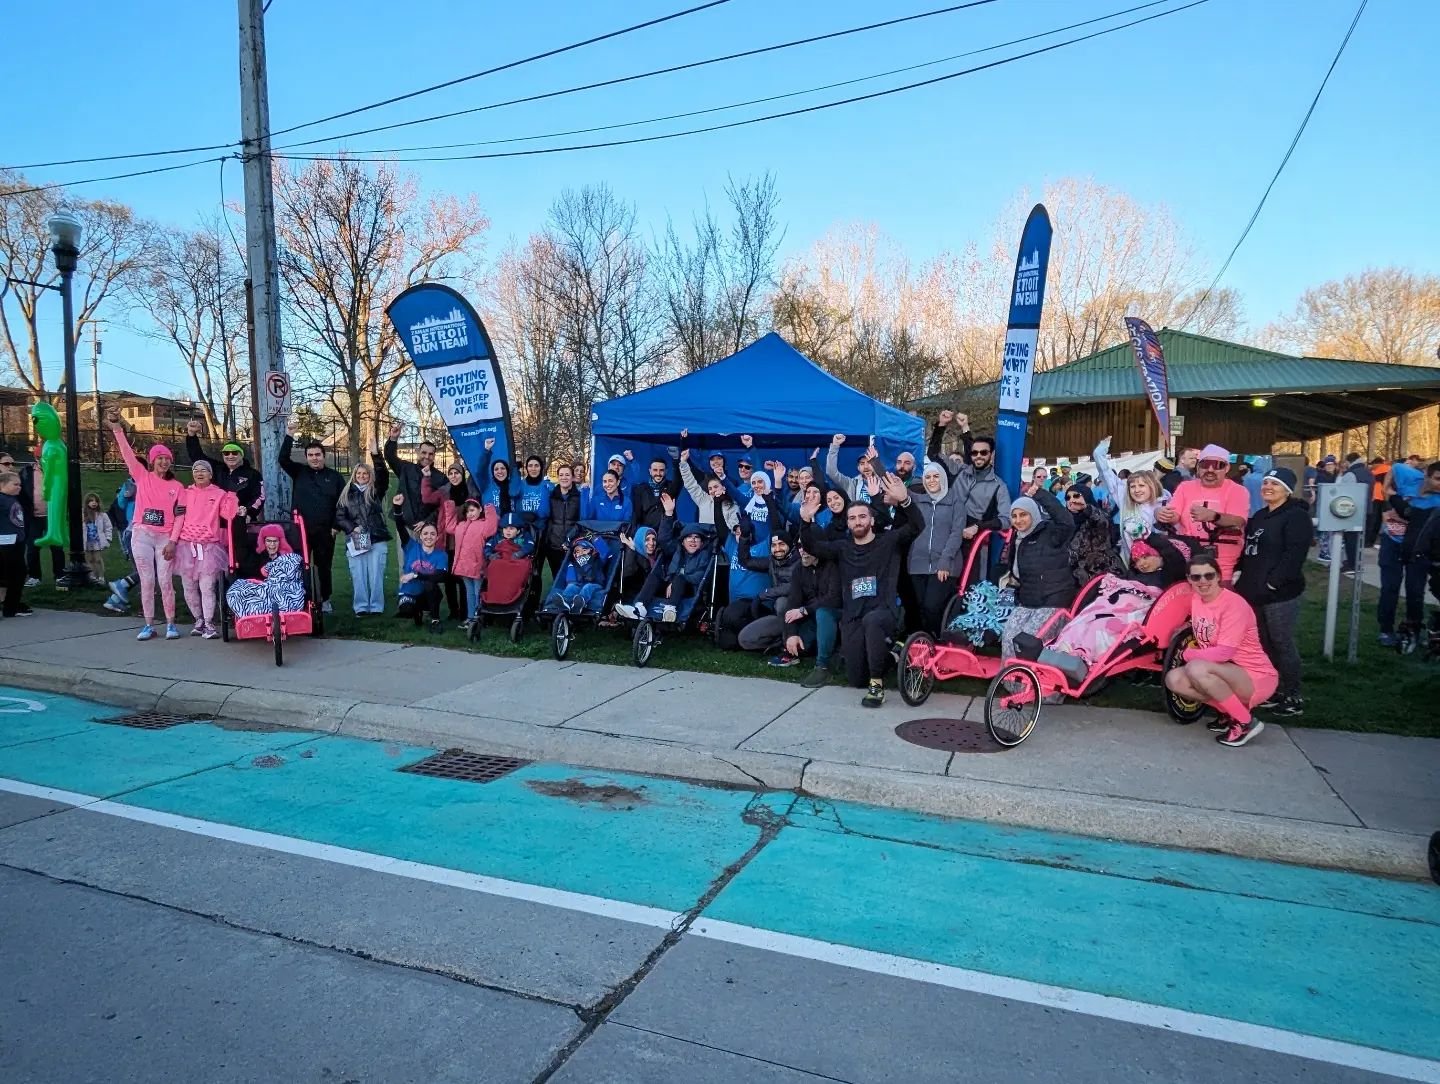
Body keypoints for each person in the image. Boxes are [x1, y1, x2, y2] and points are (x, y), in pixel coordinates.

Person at [798, 474, 921, 708]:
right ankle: (894, 654)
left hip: (883, 612)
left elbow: (916, 526)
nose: (857, 521)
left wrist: (906, 502)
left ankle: (877, 686)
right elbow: (812, 546)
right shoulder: (842, 548)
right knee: (855, 679)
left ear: (872, 521)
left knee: (872, 622)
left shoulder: (889, 541)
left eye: (862, 516)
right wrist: (805, 521)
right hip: (853, 615)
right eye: (852, 518)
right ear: (848, 523)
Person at [1025, 532, 1189, 682]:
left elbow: (1175, 559)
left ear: (1160, 556)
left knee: (1101, 626)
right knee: (1083, 619)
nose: (1142, 563)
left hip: (1141, 610)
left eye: (1146, 557)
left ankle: (1082, 659)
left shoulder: (1167, 575)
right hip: (1112, 604)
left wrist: (1151, 537)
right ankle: (1060, 652)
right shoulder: (1133, 575)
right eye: (1137, 560)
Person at [1165, 550, 1278, 748]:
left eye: (1209, 575)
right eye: (1196, 577)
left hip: (1255, 676)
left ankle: (1245, 722)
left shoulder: (1233, 604)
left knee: (1196, 668)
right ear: (1189, 579)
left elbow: (1225, 652)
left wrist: (1189, 654)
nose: (1203, 581)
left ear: (1219, 576)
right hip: (1226, 670)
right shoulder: (1197, 600)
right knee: (1174, 680)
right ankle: (1230, 712)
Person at [1235, 467, 1313, 718]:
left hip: (1280, 593)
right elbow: (1249, 550)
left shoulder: (1296, 516)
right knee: (1263, 643)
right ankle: (1273, 690)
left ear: (1287, 490)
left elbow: (1295, 555)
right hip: (1253, 591)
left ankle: (1293, 694)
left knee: (1282, 642)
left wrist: (1274, 582)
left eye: (1275, 484)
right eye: (1266, 482)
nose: (1268, 487)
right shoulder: (1259, 515)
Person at [106, 409, 185, 641]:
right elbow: (126, 453)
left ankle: (171, 624)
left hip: (165, 538)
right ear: (152, 461)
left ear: (170, 462)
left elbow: (180, 516)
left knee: (165, 581)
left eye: (167, 458)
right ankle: (148, 625)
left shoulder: (177, 487)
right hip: (141, 534)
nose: (163, 461)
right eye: (159, 458)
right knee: (147, 581)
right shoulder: (141, 476)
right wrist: (116, 427)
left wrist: (173, 541)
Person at [996, 490, 1076, 663]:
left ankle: (1036, 682)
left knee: (1029, 640)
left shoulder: (1051, 533)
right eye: (1014, 516)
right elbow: (1016, 573)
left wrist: (1040, 494)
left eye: (1023, 515)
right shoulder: (1017, 539)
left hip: (1054, 599)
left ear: (1033, 513)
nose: (1018, 520)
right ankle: (1011, 682)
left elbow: (1067, 522)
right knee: (1009, 636)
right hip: (1028, 600)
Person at [927, 412, 1012, 574]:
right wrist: (942, 425)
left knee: (967, 587)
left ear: (991, 455)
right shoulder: (959, 470)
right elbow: (934, 455)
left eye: (983, 453)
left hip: (969, 541)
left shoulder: (999, 486)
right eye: (974, 453)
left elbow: (1006, 519)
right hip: (945, 534)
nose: (978, 456)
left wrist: (977, 527)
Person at [165, 460, 238, 639]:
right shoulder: (185, 493)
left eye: (203, 470)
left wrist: (233, 496)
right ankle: (198, 620)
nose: (199, 473)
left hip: (209, 547)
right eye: (195, 470)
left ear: (210, 475)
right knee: (188, 586)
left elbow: (228, 514)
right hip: (186, 546)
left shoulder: (219, 493)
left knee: (207, 587)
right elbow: (178, 517)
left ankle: (209, 622)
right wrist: (173, 541)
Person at [277, 421, 345, 613]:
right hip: (300, 530)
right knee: (298, 565)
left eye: (318, 455)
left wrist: (336, 526)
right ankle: (298, 599)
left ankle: (325, 599)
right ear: (306, 457)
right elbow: (283, 459)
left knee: (324, 566)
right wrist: (289, 435)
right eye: (311, 455)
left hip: (325, 530)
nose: (314, 458)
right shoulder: (299, 472)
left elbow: (342, 505)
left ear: (324, 456)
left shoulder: (335, 477)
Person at [1157, 443, 1248, 583]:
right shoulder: (1185, 487)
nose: (1210, 469)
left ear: (1227, 468)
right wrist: (1163, 514)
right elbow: (1174, 515)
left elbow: (1238, 521)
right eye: (1205, 464)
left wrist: (1213, 516)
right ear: (1198, 467)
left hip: (1222, 564)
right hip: (1189, 558)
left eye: (1218, 465)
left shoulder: (1237, 491)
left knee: (1219, 601)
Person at [906, 460, 966, 635]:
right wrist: (875, 463)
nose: (932, 480)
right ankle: (924, 644)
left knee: (932, 605)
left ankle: (939, 640)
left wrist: (945, 561)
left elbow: (956, 533)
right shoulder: (917, 500)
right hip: (918, 564)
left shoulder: (956, 502)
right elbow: (895, 488)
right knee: (921, 607)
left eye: (936, 476)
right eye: (928, 477)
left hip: (944, 565)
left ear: (943, 479)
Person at [334, 445, 392, 617]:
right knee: (358, 574)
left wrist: (376, 455)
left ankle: (376, 607)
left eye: (365, 474)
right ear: (354, 476)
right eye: (358, 474)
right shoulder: (347, 494)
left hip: (376, 538)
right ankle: (360, 607)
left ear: (369, 476)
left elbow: (383, 476)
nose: (361, 476)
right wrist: (353, 528)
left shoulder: (375, 492)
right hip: (356, 539)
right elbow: (340, 516)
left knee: (376, 575)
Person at [1093, 436, 1168, 564]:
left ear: (1151, 486)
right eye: (1133, 486)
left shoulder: (1162, 503)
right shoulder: (1124, 500)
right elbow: (1106, 472)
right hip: (1130, 563)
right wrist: (1099, 452)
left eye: (1141, 486)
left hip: (1155, 564)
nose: (1137, 490)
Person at [782, 540, 842, 687]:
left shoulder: (832, 565)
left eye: (807, 546)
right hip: (812, 618)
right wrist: (791, 634)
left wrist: (805, 610)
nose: (803, 551)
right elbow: (793, 603)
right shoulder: (799, 569)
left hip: (837, 613)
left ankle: (822, 666)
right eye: (800, 547)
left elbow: (834, 598)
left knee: (822, 613)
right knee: (797, 647)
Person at [735, 531, 801, 661]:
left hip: (800, 616)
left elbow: (793, 587)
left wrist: (763, 595)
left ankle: (788, 651)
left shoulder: (800, 561)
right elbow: (746, 561)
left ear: (790, 546)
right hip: (780, 618)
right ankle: (778, 643)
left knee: (782, 602)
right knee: (745, 639)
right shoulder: (772, 561)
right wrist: (744, 537)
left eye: (781, 544)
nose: (777, 549)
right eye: (774, 545)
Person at [420, 461, 473, 622]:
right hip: (446, 541)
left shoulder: (469, 493)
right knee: (448, 578)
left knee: (463, 579)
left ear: (462, 475)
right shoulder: (444, 492)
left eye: (456, 473)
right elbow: (427, 498)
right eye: (450, 473)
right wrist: (426, 478)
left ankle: (465, 612)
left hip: (464, 542)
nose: (453, 476)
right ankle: (453, 610)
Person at [184, 419, 264, 523]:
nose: (230, 456)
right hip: (215, 522)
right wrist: (191, 435)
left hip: (240, 522)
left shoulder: (253, 474)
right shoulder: (217, 469)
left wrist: (249, 514)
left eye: (235, 453)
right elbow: (197, 456)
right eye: (226, 453)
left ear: (241, 455)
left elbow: (259, 497)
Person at [224, 524, 306, 620]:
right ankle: (258, 615)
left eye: (275, 541)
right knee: (237, 592)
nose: (272, 544)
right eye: (269, 541)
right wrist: (241, 519)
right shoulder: (257, 557)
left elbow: (294, 574)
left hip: (282, 589)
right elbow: (241, 545)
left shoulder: (287, 558)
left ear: (280, 542)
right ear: (263, 542)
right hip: (261, 590)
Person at [16, 452, 62, 587]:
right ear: (37, 458)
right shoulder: (26, 472)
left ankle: (59, 575)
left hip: (52, 516)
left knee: (57, 547)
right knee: (32, 547)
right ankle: (35, 576)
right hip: (33, 516)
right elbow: (20, 491)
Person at [451, 498, 498, 627]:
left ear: (480, 509)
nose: (470, 514)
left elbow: (492, 528)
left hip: (478, 565)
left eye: (472, 510)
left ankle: (479, 618)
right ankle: (471, 617)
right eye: (467, 512)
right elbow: (450, 527)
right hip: (464, 566)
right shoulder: (461, 526)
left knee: (479, 592)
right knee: (469, 592)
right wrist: (450, 507)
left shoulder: (484, 525)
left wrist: (489, 509)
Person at [384, 423, 438, 535]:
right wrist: (393, 439)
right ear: (418, 452)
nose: (427, 457)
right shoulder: (406, 469)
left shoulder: (440, 478)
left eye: (430, 454)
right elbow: (390, 457)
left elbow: (443, 505)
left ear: (434, 456)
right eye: (424, 452)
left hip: (428, 529)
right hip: (405, 526)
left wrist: (427, 521)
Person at [1065, 485, 1121, 588]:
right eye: (1068, 497)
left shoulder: (1096, 517)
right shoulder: (1065, 522)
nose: (1072, 500)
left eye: (1076, 496)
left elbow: (1102, 521)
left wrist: (1086, 508)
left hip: (1103, 578)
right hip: (1076, 581)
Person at [399, 521, 450, 630]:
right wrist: (397, 507)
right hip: (410, 591)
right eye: (425, 533)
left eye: (432, 534)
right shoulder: (411, 546)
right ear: (420, 536)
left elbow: (440, 576)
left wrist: (415, 575)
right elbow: (400, 528)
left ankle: (435, 620)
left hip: (428, 593)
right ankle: (418, 613)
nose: (429, 536)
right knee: (406, 610)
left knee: (429, 584)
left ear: (437, 537)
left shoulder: (441, 555)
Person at [544, 535, 611, 614]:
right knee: (571, 586)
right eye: (577, 551)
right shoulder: (572, 564)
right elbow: (570, 579)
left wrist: (594, 538)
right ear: (574, 554)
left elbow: (605, 552)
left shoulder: (597, 559)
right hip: (577, 584)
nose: (581, 552)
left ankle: (580, 602)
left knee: (587, 587)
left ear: (593, 551)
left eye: (584, 550)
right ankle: (565, 603)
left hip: (595, 584)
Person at [825, 433, 885, 505]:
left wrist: (877, 463)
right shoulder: (851, 484)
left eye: (869, 462)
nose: (866, 466)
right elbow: (831, 472)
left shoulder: (883, 481)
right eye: (862, 463)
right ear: (858, 468)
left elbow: (886, 479)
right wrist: (835, 446)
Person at [1340, 453, 1374, 576]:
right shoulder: (1369, 472)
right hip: (1367, 508)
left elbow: (1343, 492)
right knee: (1359, 538)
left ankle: (1352, 565)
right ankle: (1357, 562)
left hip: (1352, 510)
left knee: (1350, 538)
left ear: (1349, 462)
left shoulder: (1350, 474)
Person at [0, 468, 28, 617]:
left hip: (17, 540)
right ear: (2, 485)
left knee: (19, 573)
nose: (19, 487)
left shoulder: (13, 499)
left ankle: (12, 606)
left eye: (20, 485)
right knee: (12, 574)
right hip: (5, 542)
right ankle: (10, 606)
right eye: (15, 484)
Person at [630, 453, 681, 532]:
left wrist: (676, 460)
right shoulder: (640, 489)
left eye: (661, 470)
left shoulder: (671, 487)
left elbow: (679, 479)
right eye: (655, 470)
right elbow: (636, 515)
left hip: (667, 534)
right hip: (646, 535)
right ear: (650, 471)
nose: (658, 474)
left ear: (666, 471)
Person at [81, 491, 114, 588]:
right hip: (87, 542)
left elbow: (108, 527)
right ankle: (92, 577)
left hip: (97, 542)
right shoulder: (83, 515)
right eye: (91, 501)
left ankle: (101, 577)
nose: (94, 503)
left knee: (98, 559)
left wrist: (108, 538)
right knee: (90, 560)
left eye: (95, 501)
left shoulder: (102, 515)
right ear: (87, 502)